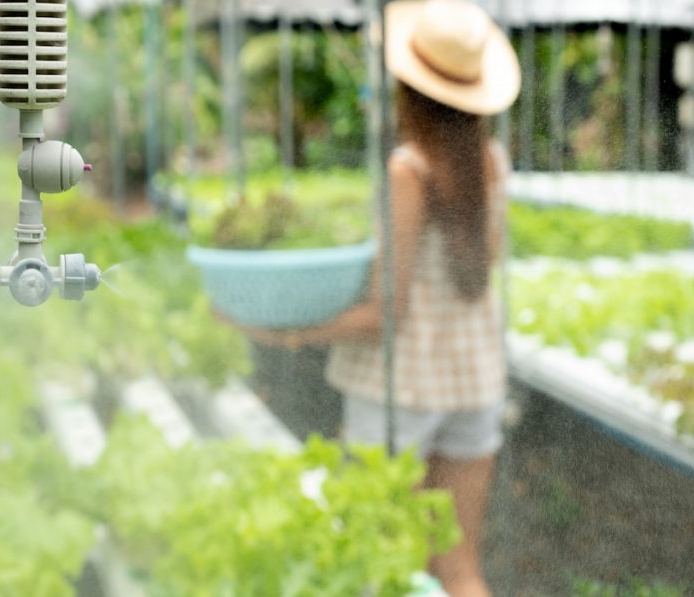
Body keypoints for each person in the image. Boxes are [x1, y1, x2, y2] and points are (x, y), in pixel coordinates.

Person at [242, 2, 519, 595]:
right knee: (461, 568)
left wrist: (284, 331)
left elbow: (384, 315)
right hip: (477, 381)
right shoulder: (493, 162)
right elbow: (478, 272)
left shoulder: (410, 169)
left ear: (408, 87)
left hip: (403, 391)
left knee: (386, 567)